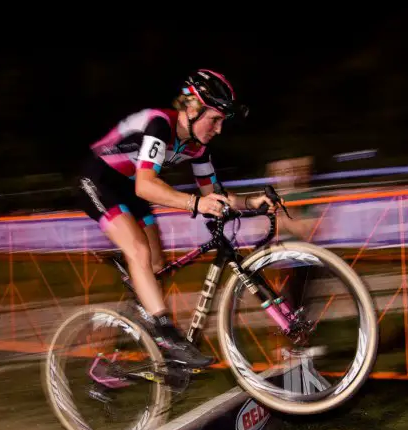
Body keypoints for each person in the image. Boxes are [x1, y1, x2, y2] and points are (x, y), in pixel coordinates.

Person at [75, 69, 274, 368]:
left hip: (130, 188)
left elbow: (215, 194)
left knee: (156, 265)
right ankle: (166, 335)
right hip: (98, 179)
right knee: (139, 250)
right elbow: (147, 185)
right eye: (215, 119)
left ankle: (124, 337)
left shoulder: (197, 147)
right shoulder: (160, 124)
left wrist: (249, 202)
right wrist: (196, 203)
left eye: (223, 121)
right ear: (192, 108)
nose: (219, 129)